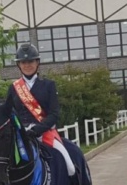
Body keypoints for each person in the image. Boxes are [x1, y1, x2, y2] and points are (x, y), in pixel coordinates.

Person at [6, 43, 75, 177]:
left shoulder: (48, 85)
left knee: (70, 167)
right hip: (21, 136)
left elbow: (54, 114)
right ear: (19, 65)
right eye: (23, 62)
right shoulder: (14, 88)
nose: (27, 65)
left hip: (45, 133)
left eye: (31, 61)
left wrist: (36, 130)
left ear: (37, 62)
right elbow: (10, 113)